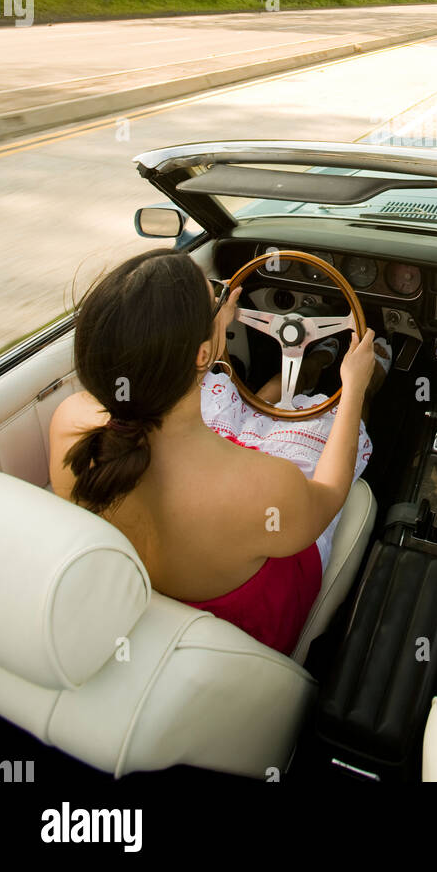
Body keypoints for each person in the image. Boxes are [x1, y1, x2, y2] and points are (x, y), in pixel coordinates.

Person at [49, 248, 378, 657]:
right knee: (331, 418)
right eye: (218, 298)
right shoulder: (265, 487)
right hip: (245, 631)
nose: (226, 301)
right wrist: (354, 387)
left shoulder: (72, 424)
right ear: (203, 354)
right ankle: (353, 377)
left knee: (233, 397)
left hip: (160, 593)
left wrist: (212, 328)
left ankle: (303, 371)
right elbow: (329, 493)